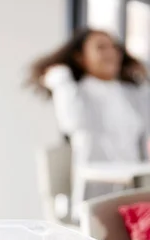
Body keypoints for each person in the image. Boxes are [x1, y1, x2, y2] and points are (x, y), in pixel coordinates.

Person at [27, 28, 150, 221]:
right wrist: (61, 81)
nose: (111, 53)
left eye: (115, 47)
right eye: (101, 47)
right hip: (96, 190)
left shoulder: (133, 92)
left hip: (136, 187)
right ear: (81, 58)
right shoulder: (78, 92)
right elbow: (72, 123)